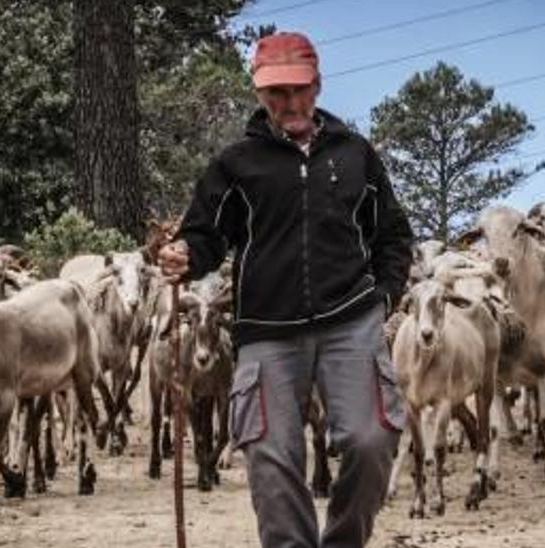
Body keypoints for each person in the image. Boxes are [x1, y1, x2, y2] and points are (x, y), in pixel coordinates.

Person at [158, 31, 414, 548]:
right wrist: (184, 255)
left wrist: (383, 298)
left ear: (317, 86)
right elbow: (205, 236)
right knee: (271, 457)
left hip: (350, 322)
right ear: (259, 93)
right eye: (276, 92)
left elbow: (392, 235)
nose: (289, 102)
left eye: (299, 89)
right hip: (267, 333)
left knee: (371, 440)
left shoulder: (355, 153)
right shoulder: (235, 164)